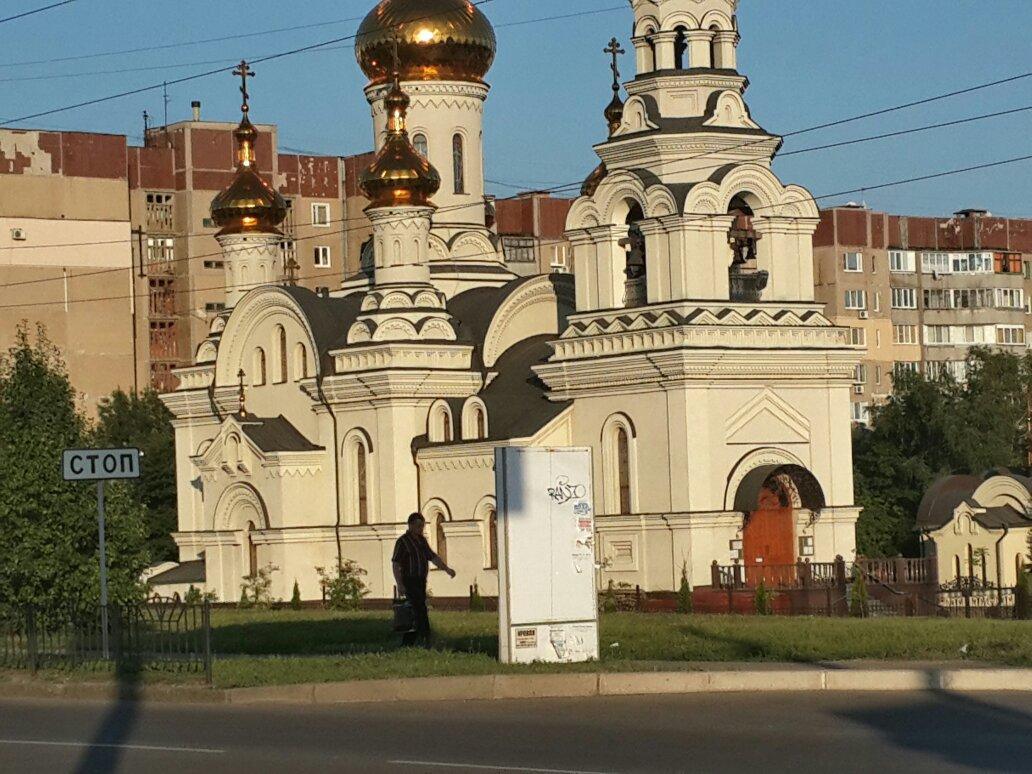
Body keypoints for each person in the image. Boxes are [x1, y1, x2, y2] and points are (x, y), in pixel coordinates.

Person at [392, 512, 456, 646]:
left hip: (420, 580)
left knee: (419, 609)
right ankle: (420, 639)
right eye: (417, 526)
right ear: (410, 525)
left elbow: (432, 557)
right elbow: (396, 563)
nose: (420, 529)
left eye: (421, 526)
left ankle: (417, 639)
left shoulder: (422, 541)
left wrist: (446, 569)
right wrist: (400, 584)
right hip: (409, 580)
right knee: (416, 609)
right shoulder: (403, 542)